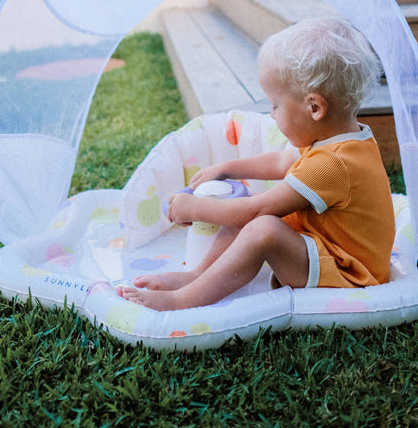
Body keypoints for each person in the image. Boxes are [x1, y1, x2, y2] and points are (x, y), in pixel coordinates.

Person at [117, 17, 395, 311]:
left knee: (260, 226)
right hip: (329, 250)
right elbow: (281, 160)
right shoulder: (339, 138)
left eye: (276, 105)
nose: (272, 115)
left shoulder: (334, 164)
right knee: (253, 211)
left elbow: (255, 212)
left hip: (348, 274)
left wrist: (192, 207)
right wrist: (224, 169)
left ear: (314, 107)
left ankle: (181, 300)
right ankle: (197, 277)